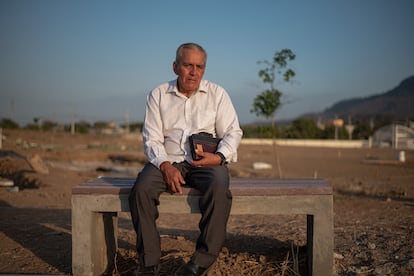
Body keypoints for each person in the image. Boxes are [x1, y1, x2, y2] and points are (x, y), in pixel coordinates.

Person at [129, 42, 243, 276]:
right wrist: (165, 165)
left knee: (219, 186)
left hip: (205, 162)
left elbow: (233, 132)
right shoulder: (158, 94)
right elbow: (151, 138)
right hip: (167, 160)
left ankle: (200, 262)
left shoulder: (217, 94)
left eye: (199, 66)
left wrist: (219, 157)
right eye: (188, 65)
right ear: (175, 67)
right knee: (141, 189)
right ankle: (149, 264)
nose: (194, 72)